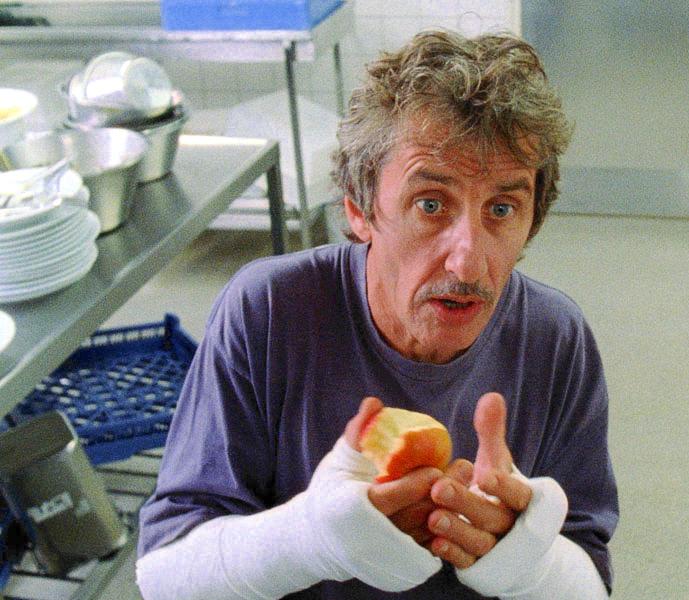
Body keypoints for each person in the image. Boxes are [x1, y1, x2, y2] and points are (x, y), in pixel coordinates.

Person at [135, 30, 618, 599]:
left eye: (502, 208)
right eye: (430, 204)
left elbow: (589, 581)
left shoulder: (555, 339)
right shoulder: (271, 311)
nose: (468, 261)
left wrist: (530, 563)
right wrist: (308, 539)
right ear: (359, 209)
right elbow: (165, 576)